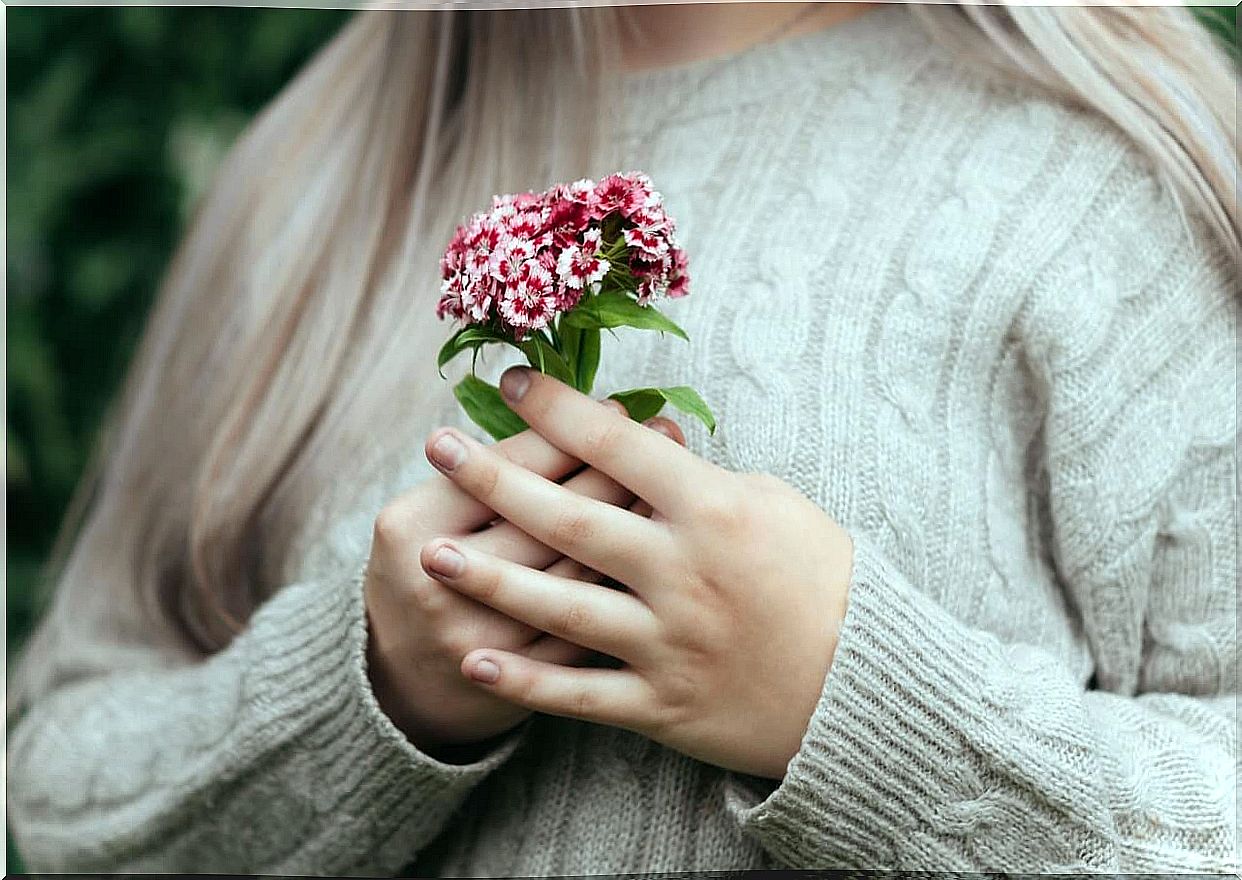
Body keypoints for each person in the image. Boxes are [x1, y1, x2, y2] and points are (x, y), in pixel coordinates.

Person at [7, 2, 1238, 874]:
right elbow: (60, 792)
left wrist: (857, 711)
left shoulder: (1110, 165)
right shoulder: (314, 180)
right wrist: (369, 691)